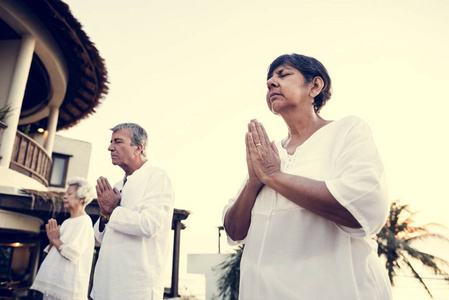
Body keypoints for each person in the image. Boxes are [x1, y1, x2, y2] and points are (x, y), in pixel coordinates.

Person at [223, 54, 392, 299]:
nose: (271, 82)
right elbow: (234, 231)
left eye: (283, 74)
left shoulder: (346, 131)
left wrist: (274, 176)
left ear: (315, 86)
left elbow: (366, 208)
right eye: (269, 78)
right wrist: (254, 182)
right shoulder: (270, 154)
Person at [90, 123, 174, 300]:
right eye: (111, 142)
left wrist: (113, 210)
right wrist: (105, 213)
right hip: (105, 286)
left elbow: (150, 225)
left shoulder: (156, 176)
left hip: (135, 289)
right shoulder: (117, 186)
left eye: (117, 141)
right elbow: (101, 237)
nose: (110, 147)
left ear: (138, 148)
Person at [30, 177, 95, 300]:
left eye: (70, 194)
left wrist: (55, 240)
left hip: (68, 288)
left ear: (82, 198)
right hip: (53, 284)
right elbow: (52, 252)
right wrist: (51, 240)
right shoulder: (66, 222)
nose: (65, 196)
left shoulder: (85, 221)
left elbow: (72, 253)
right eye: (65, 193)